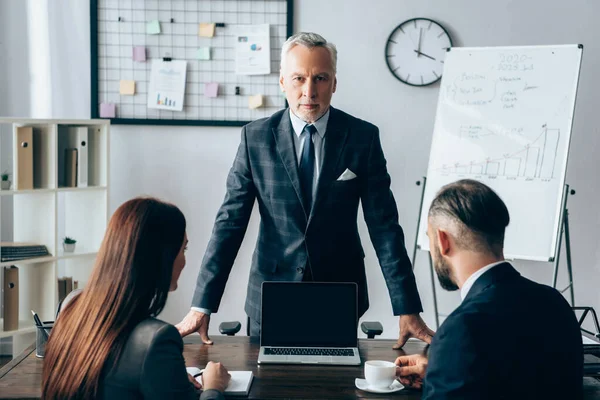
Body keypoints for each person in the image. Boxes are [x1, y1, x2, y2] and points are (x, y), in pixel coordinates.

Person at [176, 32, 432, 347]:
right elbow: (229, 223)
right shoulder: (255, 138)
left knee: (336, 386)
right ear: (283, 81)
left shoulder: (362, 137)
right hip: (269, 293)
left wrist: (406, 306)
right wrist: (202, 305)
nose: (309, 91)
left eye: (320, 78)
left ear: (334, 83)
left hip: (339, 293)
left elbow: (385, 227)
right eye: (299, 78)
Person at [395, 179, 583, 399]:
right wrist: (445, 369)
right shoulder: (556, 303)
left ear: (442, 240)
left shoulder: (460, 330)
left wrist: (445, 363)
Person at [42, 198, 230, 400]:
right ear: (162, 257)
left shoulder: (71, 304)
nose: (184, 260)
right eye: (182, 249)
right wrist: (213, 387)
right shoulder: (157, 340)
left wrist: (165, 374)